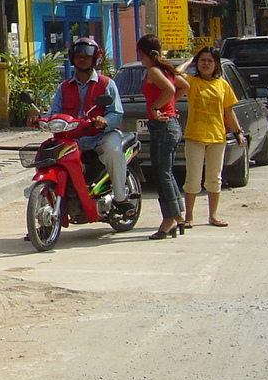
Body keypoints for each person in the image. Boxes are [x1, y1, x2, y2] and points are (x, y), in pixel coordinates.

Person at [39, 36, 131, 215]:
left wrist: (105, 121)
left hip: (101, 136)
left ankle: (120, 198)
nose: (82, 59)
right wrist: (40, 119)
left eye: (86, 57)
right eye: (78, 56)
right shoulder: (64, 87)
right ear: (73, 58)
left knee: (113, 151)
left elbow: (117, 113)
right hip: (72, 138)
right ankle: (45, 208)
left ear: (94, 59)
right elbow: (53, 112)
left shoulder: (106, 84)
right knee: (50, 158)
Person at [176, 47, 243, 228]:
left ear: (216, 64)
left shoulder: (222, 85)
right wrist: (189, 61)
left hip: (217, 138)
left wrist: (238, 131)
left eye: (210, 61)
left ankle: (213, 216)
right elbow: (175, 74)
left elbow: (228, 110)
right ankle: (189, 216)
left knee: (214, 178)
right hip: (195, 137)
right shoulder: (192, 82)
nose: (206, 64)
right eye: (202, 60)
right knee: (193, 179)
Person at [136, 34, 189, 240]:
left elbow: (170, 89)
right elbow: (185, 86)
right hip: (170, 125)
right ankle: (178, 215)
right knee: (166, 172)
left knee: (162, 174)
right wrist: (169, 105)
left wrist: (157, 107)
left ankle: (170, 219)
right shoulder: (165, 70)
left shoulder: (154, 71)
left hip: (162, 126)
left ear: (142, 52)